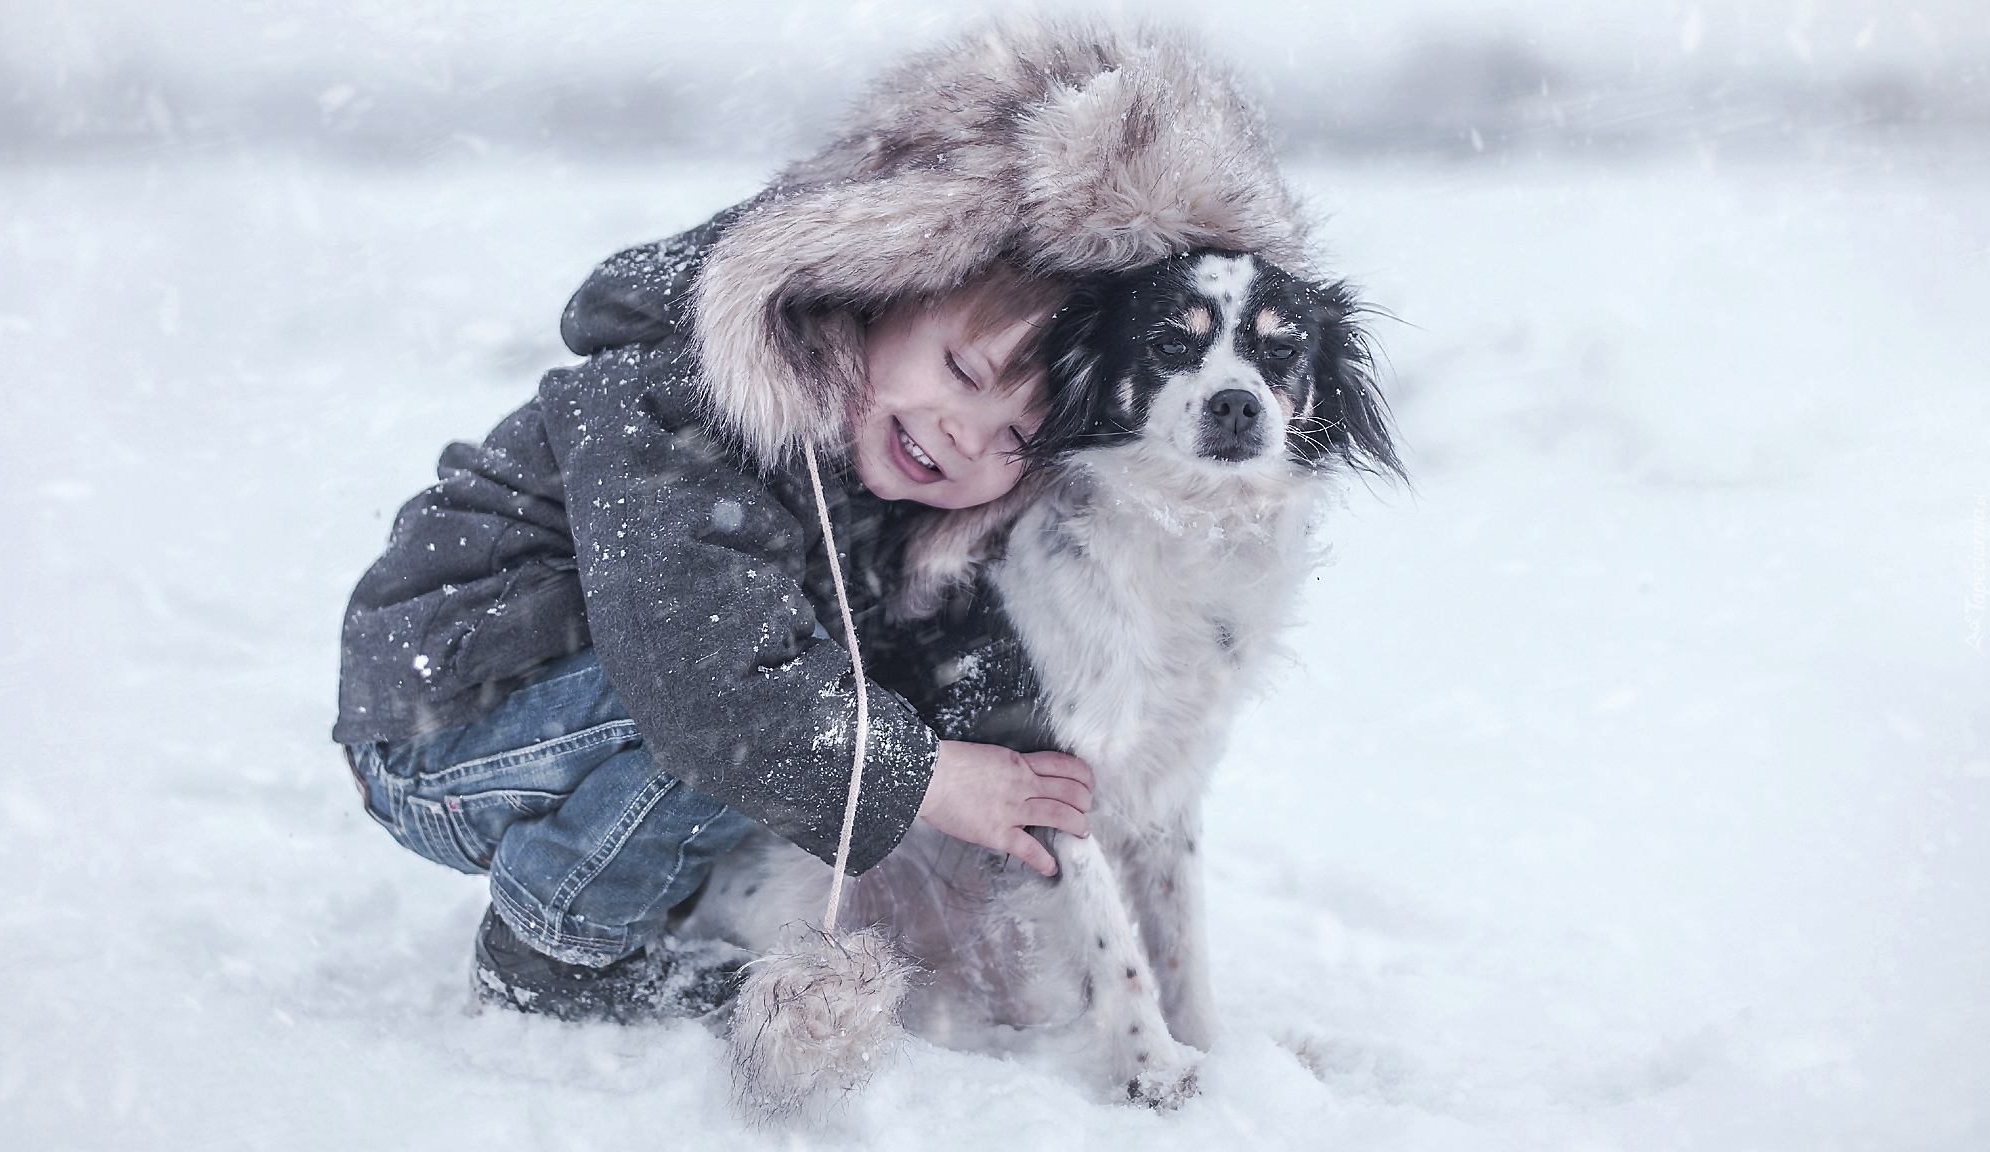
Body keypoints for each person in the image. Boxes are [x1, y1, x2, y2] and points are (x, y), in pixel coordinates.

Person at [332, 17, 1317, 1023]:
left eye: (1015, 442)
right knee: (742, 692)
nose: (962, 435)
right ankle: (555, 950)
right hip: (444, 727)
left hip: (591, 712)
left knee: (810, 699)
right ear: (883, 287)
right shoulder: (682, 393)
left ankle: (647, 875)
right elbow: (705, 679)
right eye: (960, 371)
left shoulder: (881, 472)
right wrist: (923, 776)